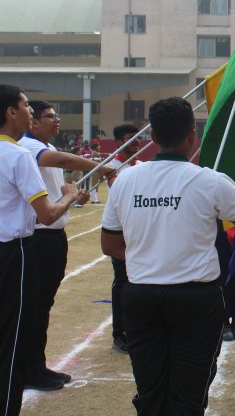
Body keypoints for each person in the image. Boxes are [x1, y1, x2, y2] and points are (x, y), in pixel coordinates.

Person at [101, 97, 235, 415]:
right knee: (190, 392)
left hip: (141, 297)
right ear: (192, 135)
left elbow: (110, 245)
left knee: (150, 389)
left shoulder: (125, 180)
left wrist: (152, 258)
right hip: (195, 300)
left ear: (153, 136)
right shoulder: (211, 180)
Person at [0, 84, 83, 416]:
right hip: (16, 253)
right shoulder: (20, 155)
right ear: (11, 112)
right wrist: (69, 195)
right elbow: (47, 214)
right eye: (26, 107)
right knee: (14, 340)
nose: (30, 112)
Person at [18, 100, 109, 391]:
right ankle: (29, 369)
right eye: (50, 116)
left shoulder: (47, 148)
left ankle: (37, 365)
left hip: (53, 236)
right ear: (33, 122)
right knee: (34, 306)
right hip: (38, 237)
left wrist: (73, 198)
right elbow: (65, 162)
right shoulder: (28, 147)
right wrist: (101, 167)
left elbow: (55, 192)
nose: (57, 120)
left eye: (57, 115)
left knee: (43, 305)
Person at [105, 123, 141, 354]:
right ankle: (119, 334)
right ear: (119, 142)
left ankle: (135, 329)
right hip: (121, 233)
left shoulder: (140, 165)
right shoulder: (111, 167)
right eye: (130, 138)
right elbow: (116, 187)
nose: (136, 142)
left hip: (139, 231)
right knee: (122, 282)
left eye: (138, 138)